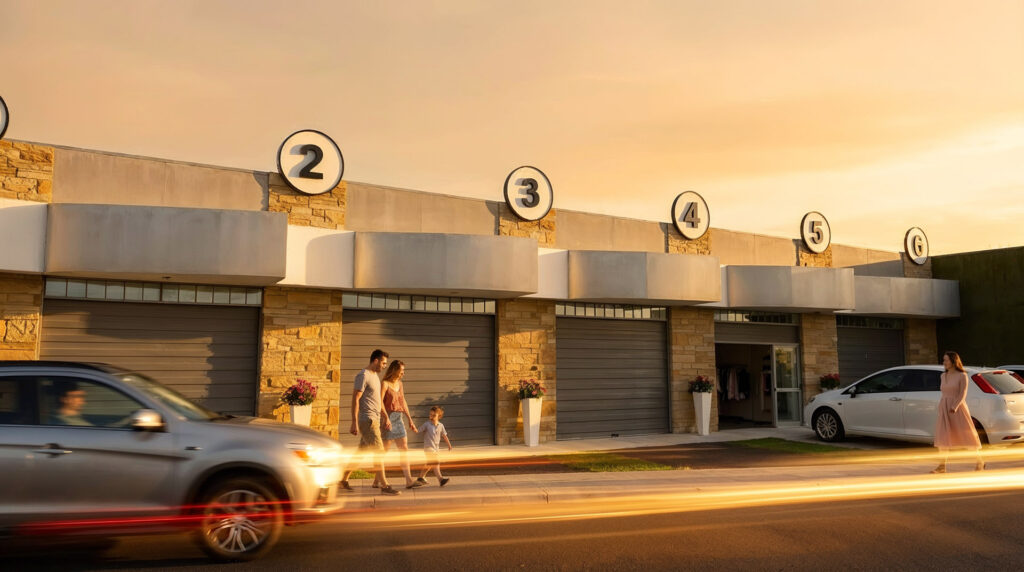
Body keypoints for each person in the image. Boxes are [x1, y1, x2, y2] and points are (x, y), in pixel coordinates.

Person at [339, 349, 401, 495]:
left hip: (375, 420)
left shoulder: (375, 377)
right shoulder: (363, 375)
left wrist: (385, 417)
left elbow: (377, 401)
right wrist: (354, 422)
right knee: (379, 452)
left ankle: (343, 479)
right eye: (383, 363)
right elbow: (355, 399)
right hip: (367, 420)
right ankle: (385, 485)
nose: (385, 366)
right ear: (376, 360)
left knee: (360, 453)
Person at [932, 351, 985, 473]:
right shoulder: (943, 376)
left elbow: (962, 394)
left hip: (958, 409)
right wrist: (941, 407)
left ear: (953, 361)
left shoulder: (962, 376)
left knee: (967, 436)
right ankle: (942, 466)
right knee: (942, 437)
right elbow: (944, 393)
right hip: (944, 408)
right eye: (944, 360)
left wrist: (954, 407)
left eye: (946, 360)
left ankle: (980, 461)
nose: (944, 362)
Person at [378, 360, 424, 489]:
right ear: (395, 370)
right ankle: (377, 481)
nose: (403, 373)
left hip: (399, 419)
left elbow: (403, 402)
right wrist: (386, 418)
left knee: (404, 449)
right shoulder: (385, 384)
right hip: (388, 419)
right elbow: (379, 402)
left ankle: (409, 480)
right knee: (384, 452)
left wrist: (410, 420)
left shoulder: (400, 384)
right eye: (401, 370)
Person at [417, 406, 453, 487]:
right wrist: (412, 427)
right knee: (435, 462)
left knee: (429, 465)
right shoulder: (427, 424)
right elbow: (418, 430)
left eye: (434, 415)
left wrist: (449, 445)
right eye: (430, 415)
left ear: (439, 416)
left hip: (436, 448)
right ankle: (441, 479)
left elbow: (444, 435)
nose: (431, 417)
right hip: (428, 448)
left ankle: (420, 478)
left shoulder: (441, 425)